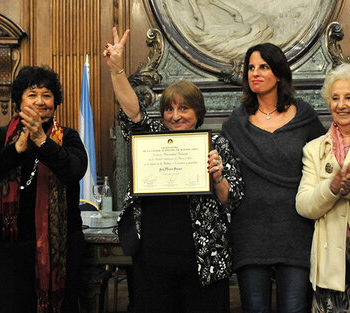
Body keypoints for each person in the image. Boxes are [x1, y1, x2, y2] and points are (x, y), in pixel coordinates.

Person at [103, 27, 244, 313]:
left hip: (203, 258)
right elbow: (132, 111)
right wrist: (117, 71)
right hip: (153, 256)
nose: (175, 115)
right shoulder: (152, 136)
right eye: (169, 109)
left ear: (198, 113)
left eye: (184, 109)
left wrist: (217, 177)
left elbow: (231, 199)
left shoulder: (217, 144)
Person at [0, 66, 87, 313]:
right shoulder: (1, 137)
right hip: (10, 249)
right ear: (18, 101)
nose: (40, 102)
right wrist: (15, 151)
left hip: (61, 248)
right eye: (32, 94)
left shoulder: (68, 137)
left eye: (46, 95)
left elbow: (74, 170)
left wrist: (43, 142)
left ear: (55, 101)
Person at [222, 43, 326, 312]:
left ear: (279, 73)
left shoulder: (304, 116)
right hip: (250, 232)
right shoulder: (235, 124)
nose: (255, 73)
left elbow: (324, 163)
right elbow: (228, 184)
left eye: (264, 67)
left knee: (294, 308)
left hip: (296, 230)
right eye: (251, 68)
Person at [296, 63, 350, 312]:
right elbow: (304, 205)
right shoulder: (314, 149)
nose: (341, 104)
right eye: (335, 98)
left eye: (349, 97)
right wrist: (331, 188)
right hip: (330, 264)